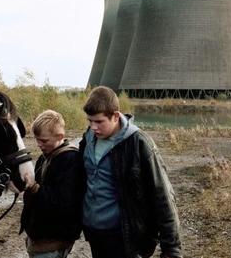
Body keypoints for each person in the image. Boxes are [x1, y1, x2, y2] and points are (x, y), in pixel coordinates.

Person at [79, 86, 182, 258]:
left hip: (126, 238)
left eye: (99, 122)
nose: (93, 127)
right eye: (90, 121)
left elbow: (163, 196)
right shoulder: (89, 138)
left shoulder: (138, 143)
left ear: (116, 116)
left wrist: (172, 250)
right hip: (95, 234)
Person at [20, 110, 83, 258]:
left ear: (60, 136)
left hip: (54, 240)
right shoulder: (45, 157)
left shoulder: (71, 160)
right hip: (40, 238)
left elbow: (63, 203)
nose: (39, 145)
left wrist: (35, 189)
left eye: (44, 140)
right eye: (37, 140)